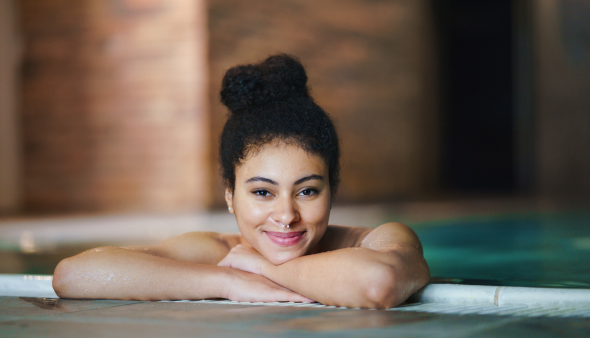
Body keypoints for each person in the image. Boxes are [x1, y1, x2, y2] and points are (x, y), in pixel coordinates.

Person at [53, 54, 429, 309]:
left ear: (333, 190)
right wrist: (227, 282)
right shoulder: (218, 252)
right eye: (263, 192)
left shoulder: (378, 240)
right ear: (230, 196)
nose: (286, 215)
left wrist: (264, 268)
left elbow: (378, 283)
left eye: (308, 191)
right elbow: (75, 275)